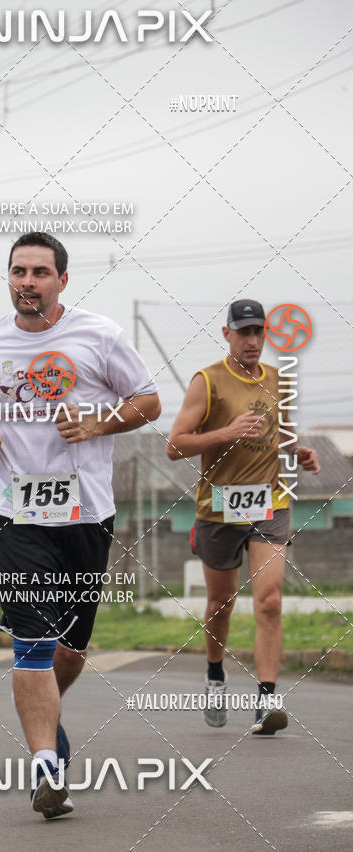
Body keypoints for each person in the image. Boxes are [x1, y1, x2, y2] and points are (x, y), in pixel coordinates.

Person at [0, 231, 161, 817]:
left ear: (62, 282)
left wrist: (95, 422)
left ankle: (43, 712)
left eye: (40, 273)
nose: (27, 282)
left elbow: (148, 401)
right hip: (14, 511)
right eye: (18, 272)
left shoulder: (99, 336)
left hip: (86, 513)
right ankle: (48, 768)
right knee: (34, 642)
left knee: (68, 651)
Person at [166, 299, 320, 735]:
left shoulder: (277, 379)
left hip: (270, 502)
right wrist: (223, 433)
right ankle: (215, 674)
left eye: (259, 332)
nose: (253, 341)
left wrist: (298, 450)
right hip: (218, 508)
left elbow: (279, 430)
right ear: (227, 333)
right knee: (221, 603)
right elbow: (174, 444)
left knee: (269, 600)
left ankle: (267, 699)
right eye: (244, 332)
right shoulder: (207, 382)